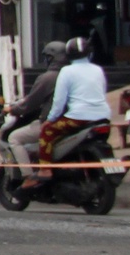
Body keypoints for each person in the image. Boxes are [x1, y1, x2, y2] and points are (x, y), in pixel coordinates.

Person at [21, 39, 108, 190]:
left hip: (78, 118)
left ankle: (45, 170)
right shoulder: (97, 70)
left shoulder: (67, 72)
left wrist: (50, 120)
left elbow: (59, 101)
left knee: (47, 131)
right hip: (102, 118)